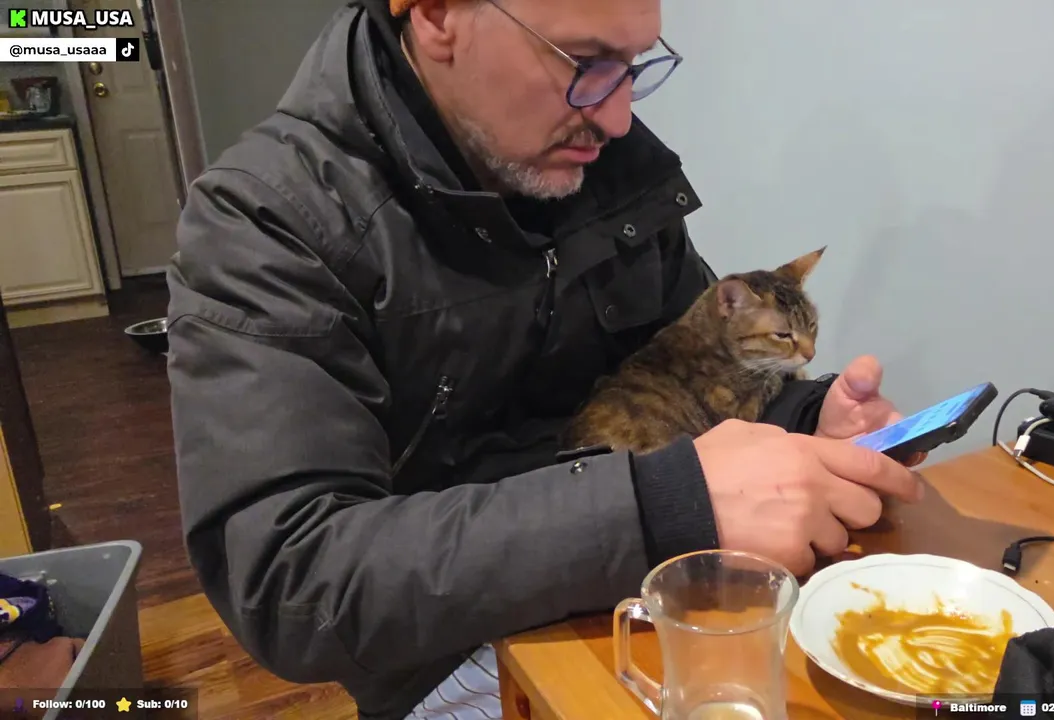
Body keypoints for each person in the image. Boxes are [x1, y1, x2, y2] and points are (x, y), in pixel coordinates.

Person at [164, 0, 926, 718]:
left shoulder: (611, 162)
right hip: (448, 653)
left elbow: (689, 364)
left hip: (650, 583)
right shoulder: (268, 222)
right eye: (584, 62)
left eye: (634, 66)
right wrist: (663, 506)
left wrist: (805, 419)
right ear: (436, 14)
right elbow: (293, 585)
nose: (619, 116)